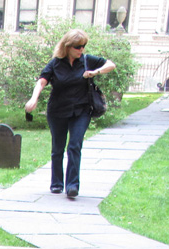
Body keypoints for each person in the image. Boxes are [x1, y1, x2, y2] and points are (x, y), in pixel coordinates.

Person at [24, 29, 115, 199]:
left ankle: (72, 186)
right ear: (67, 47)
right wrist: (33, 99)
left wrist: (95, 72)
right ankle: (57, 183)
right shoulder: (55, 64)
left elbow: (111, 64)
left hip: (81, 110)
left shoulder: (87, 61)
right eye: (77, 47)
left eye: (83, 46)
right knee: (58, 148)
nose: (81, 50)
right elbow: (42, 82)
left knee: (74, 145)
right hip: (57, 111)